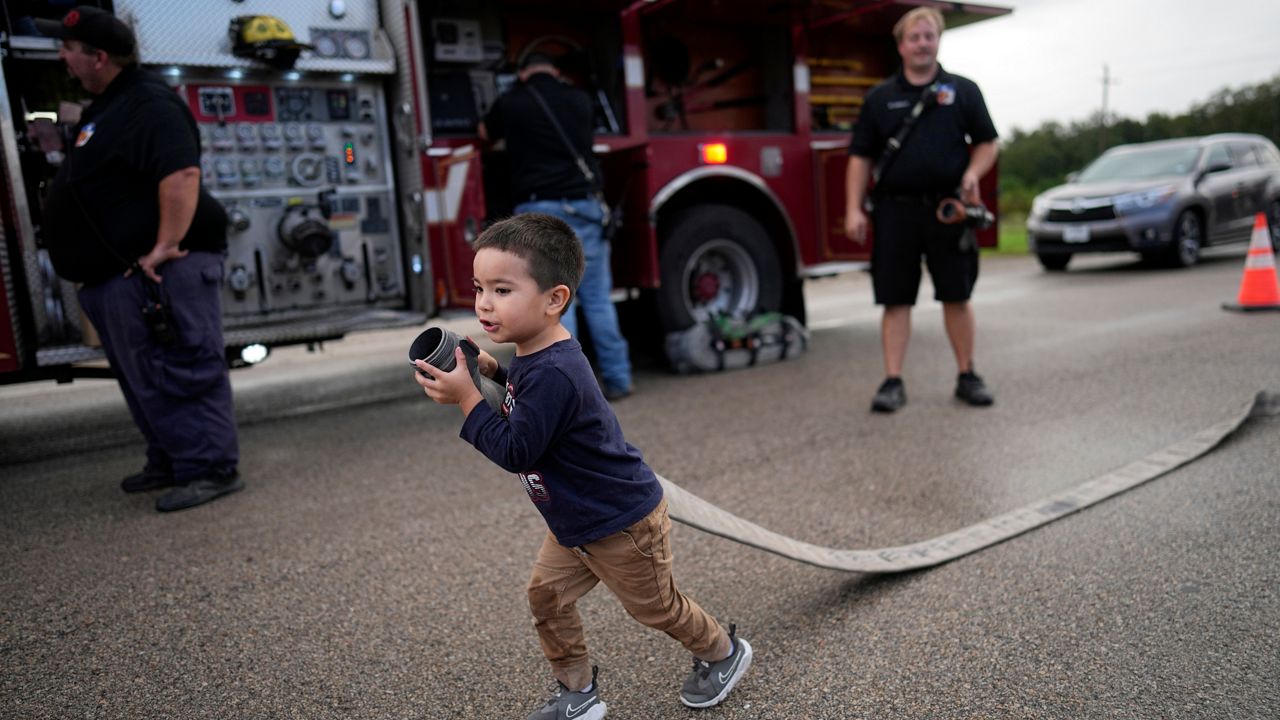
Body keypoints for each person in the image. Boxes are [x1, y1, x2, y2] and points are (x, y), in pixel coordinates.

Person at [414, 214, 751, 719]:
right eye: (480, 287)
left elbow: (517, 449)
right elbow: (531, 408)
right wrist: (492, 372)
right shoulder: (533, 355)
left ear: (554, 299)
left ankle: (723, 652)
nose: (484, 302)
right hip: (574, 521)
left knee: (656, 608)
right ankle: (578, 692)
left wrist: (467, 399)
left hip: (621, 523)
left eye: (503, 289)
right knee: (546, 598)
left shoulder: (555, 369)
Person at [37, 6, 242, 511]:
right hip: (119, 277)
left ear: (99, 57)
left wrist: (165, 245)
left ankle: (210, 467)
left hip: (164, 268)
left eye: (68, 49)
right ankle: (172, 460)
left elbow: (181, 175)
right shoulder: (107, 105)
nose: (62, 56)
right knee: (143, 376)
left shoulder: (149, 103)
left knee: (185, 367)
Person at [844, 6, 999, 413]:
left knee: (957, 295)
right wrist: (853, 208)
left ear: (938, 40)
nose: (922, 43)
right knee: (896, 300)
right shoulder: (880, 98)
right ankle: (893, 381)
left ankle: (968, 375)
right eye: (914, 37)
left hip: (948, 210)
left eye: (929, 36)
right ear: (901, 45)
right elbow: (859, 157)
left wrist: (972, 172)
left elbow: (988, 142)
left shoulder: (963, 90)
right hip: (895, 212)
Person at [478, 53, 634, 401]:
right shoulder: (578, 99)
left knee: (554, 305)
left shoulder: (511, 102)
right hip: (585, 206)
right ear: (556, 71)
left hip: (540, 213)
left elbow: (484, 133)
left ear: (521, 74)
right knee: (597, 298)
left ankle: (568, 391)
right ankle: (620, 378)